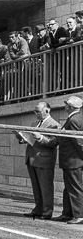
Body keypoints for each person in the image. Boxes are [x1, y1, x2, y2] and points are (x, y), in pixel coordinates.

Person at [19, 101, 59, 220]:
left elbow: (54, 142)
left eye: (38, 111)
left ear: (47, 110)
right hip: (32, 158)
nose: (36, 114)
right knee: (36, 187)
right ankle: (38, 209)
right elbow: (31, 138)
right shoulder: (35, 123)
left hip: (44, 159)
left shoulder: (54, 125)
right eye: (35, 111)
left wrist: (41, 137)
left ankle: (47, 211)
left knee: (46, 187)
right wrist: (22, 138)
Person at [52, 96, 83, 224]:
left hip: (73, 160)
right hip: (71, 160)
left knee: (75, 188)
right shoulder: (76, 118)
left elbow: (78, 142)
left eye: (66, 105)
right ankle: (68, 212)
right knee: (69, 188)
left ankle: (79, 214)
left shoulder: (74, 120)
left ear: (69, 107)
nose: (65, 106)